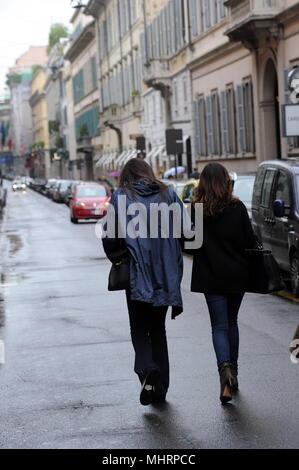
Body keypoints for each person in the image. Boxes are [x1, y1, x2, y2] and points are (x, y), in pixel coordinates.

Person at [102, 158, 187, 406]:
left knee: (139, 328)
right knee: (158, 330)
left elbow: (109, 237)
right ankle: (160, 390)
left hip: (136, 275)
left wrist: (121, 258)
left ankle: (147, 368)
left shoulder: (120, 197)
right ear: (149, 172)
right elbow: (188, 230)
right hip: (165, 274)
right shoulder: (168, 194)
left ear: (126, 176)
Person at [190, 162, 256, 404]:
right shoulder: (237, 207)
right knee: (231, 323)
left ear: (203, 183)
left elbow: (190, 244)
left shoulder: (197, 209)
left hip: (210, 275)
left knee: (218, 326)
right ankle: (234, 373)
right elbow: (249, 240)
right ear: (226, 180)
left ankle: (224, 370)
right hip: (236, 274)